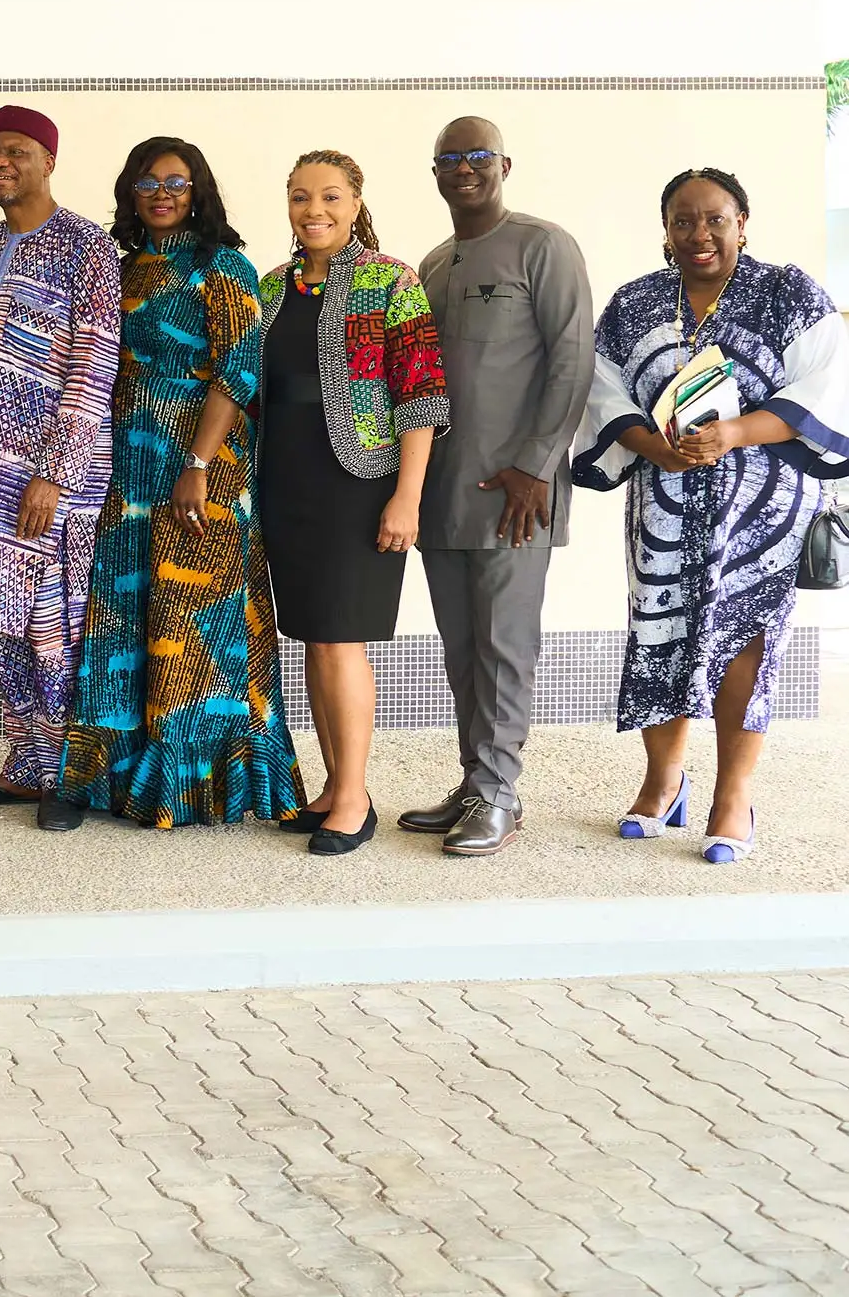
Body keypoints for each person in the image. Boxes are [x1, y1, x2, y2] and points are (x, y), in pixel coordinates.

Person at [576, 168, 849, 864]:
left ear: (743, 221)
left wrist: (734, 433)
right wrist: (649, 447)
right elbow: (602, 389)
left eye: (715, 219)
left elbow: (827, 380)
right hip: (664, 501)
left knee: (746, 647)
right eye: (683, 220)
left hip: (764, 508)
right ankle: (664, 780)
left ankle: (734, 793)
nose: (699, 233)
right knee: (659, 631)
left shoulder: (786, 293)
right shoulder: (635, 304)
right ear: (665, 229)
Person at [58, 139, 301, 832]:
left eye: (177, 181)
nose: (162, 192)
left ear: (198, 191)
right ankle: (110, 780)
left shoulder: (224, 265)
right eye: (148, 181)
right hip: (129, 465)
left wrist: (195, 462)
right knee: (126, 614)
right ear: (130, 191)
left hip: (205, 461)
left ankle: (196, 780)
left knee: (202, 619)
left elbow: (241, 368)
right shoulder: (122, 266)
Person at [402, 118, 594, 858]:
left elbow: (573, 359)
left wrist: (535, 465)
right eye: (449, 158)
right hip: (444, 488)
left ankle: (502, 792)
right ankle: (474, 777)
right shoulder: (434, 264)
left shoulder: (543, 245)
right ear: (436, 171)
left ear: (504, 163)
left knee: (504, 645)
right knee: (462, 648)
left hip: (518, 493)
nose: (464, 168)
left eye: (477, 155)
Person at [253, 151, 447, 857]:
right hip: (284, 482)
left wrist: (407, 495)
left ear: (356, 199)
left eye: (330, 196)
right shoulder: (271, 286)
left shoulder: (391, 280)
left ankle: (357, 797)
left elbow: (422, 392)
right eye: (300, 197)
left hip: (360, 482)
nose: (315, 211)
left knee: (341, 637)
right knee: (313, 637)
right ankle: (335, 787)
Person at [0, 106, 121, 819]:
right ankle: (24, 763)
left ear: (48, 160)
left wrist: (56, 471)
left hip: (50, 470)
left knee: (52, 624)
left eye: (15, 150)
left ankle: (68, 774)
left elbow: (93, 365)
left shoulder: (87, 246)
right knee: (1, 618)